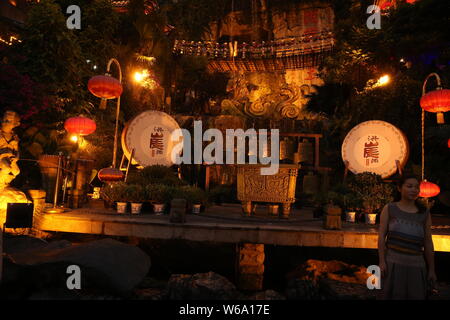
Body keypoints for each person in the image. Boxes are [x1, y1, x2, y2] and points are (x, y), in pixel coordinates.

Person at [378, 174, 437, 299]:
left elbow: (428, 242)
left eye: (416, 187)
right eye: (409, 186)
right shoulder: (390, 209)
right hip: (393, 263)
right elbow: (381, 236)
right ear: (399, 188)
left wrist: (431, 269)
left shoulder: (424, 213)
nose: (414, 190)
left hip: (416, 265)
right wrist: (382, 261)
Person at [0, 110, 21, 188]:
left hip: (10, 159)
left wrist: (16, 157)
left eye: (8, 121)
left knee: (16, 171)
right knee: (7, 168)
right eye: (4, 120)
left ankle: (5, 183)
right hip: (1, 158)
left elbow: (17, 150)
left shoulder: (14, 137)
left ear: (15, 124)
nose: (4, 122)